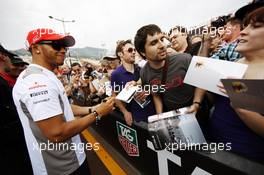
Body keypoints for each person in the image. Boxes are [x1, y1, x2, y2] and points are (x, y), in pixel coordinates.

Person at [12, 28, 114, 175]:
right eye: (56, 45)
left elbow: (61, 107)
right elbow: (57, 133)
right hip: (61, 168)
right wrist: (98, 113)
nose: (63, 50)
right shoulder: (36, 82)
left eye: (64, 46)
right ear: (36, 48)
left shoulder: (45, 75)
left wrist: (91, 109)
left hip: (70, 159)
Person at [208, 5, 264, 161]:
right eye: (245, 25)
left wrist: (242, 106)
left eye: (256, 26)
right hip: (217, 149)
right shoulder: (235, 63)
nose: (243, 31)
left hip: (246, 160)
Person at [134, 24, 205, 114]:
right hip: (174, 119)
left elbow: (201, 79)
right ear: (143, 52)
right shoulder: (144, 73)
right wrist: (160, 117)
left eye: (162, 39)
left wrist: (196, 104)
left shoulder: (184, 59)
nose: (162, 45)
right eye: (153, 43)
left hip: (199, 114)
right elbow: (156, 95)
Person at [0, 44, 33, 174]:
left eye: (22, 65)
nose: (20, 68)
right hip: (12, 154)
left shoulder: (11, 83)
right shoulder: (3, 86)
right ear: (2, 56)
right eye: (9, 57)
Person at [111, 40, 156, 125]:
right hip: (137, 119)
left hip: (153, 114)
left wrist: (149, 90)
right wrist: (125, 112)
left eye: (134, 50)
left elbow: (156, 86)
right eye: (130, 50)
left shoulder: (142, 69)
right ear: (120, 54)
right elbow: (115, 96)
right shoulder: (115, 74)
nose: (134, 52)